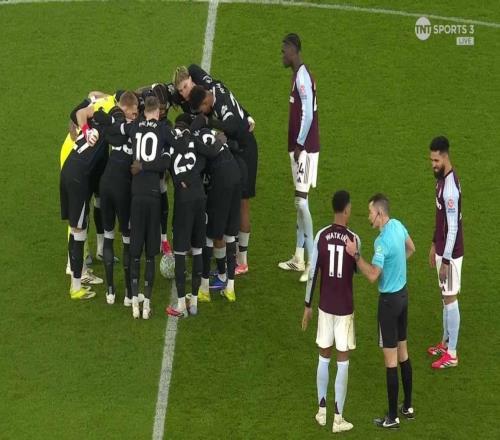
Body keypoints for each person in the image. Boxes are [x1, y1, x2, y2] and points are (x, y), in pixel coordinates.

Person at [345, 194, 415, 429]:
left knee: (390, 361)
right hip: (403, 297)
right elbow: (411, 249)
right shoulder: (398, 226)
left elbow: (373, 275)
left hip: (388, 304)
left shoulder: (381, 242)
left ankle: (392, 418)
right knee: (403, 353)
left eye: (370, 213)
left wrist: (356, 255)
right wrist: (396, 267)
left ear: (380, 214)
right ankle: (408, 407)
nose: (368, 217)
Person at [113, 96, 184, 319]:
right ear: (159, 112)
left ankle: (134, 302)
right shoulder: (163, 129)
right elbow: (177, 149)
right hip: (153, 195)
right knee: (151, 254)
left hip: (136, 195)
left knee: (135, 252)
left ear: (144, 111)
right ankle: (147, 305)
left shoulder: (135, 127)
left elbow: (117, 130)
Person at [187, 72, 257, 275]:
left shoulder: (220, 104)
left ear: (205, 101)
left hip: (245, 150)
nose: (203, 113)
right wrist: (247, 114)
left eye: (202, 110)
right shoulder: (215, 87)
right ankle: (231, 256)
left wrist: (210, 123)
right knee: (233, 202)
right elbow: (194, 68)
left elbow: (232, 126)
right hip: (238, 148)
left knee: (242, 203)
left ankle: (242, 260)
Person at [302, 191, 358, 433]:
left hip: (325, 306)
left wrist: (307, 306)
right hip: (344, 308)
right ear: (345, 209)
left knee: (324, 356)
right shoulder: (354, 239)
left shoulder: (321, 236)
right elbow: (356, 269)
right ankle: (338, 418)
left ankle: (321, 410)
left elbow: (313, 273)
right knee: (342, 360)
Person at [278, 33, 320, 283]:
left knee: (302, 203)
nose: (282, 55)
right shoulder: (299, 76)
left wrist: (300, 144)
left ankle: (312, 262)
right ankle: (298, 257)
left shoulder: (302, 77)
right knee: (299, 201)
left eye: (284, 50)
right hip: (301, 148)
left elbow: (308, 115)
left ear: (293, 49)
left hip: (304, 150)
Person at [96, 92, 140, 306]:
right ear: (126, 110)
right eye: (135, 112)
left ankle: (110, 291)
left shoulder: (112, 130)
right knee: (127, 239)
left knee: (108, 236)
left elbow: (106, 128)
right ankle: (129, 294)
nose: (137, 115)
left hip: (105, 185)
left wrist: (112, 121)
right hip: (122, 187)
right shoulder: (135, 128)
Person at [427, 136, 463, 369]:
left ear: (445, 157)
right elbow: (440, 219)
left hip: (450, 252)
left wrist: (446, 261)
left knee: (450, 298)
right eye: (431, 160)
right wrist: (433, 244)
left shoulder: (449, 189)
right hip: (442, 248)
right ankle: (445, 342)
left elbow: (453, 228)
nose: (433, 164)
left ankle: (452, 354)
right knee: (444, 296)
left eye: (436, 160)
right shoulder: (441, 180)